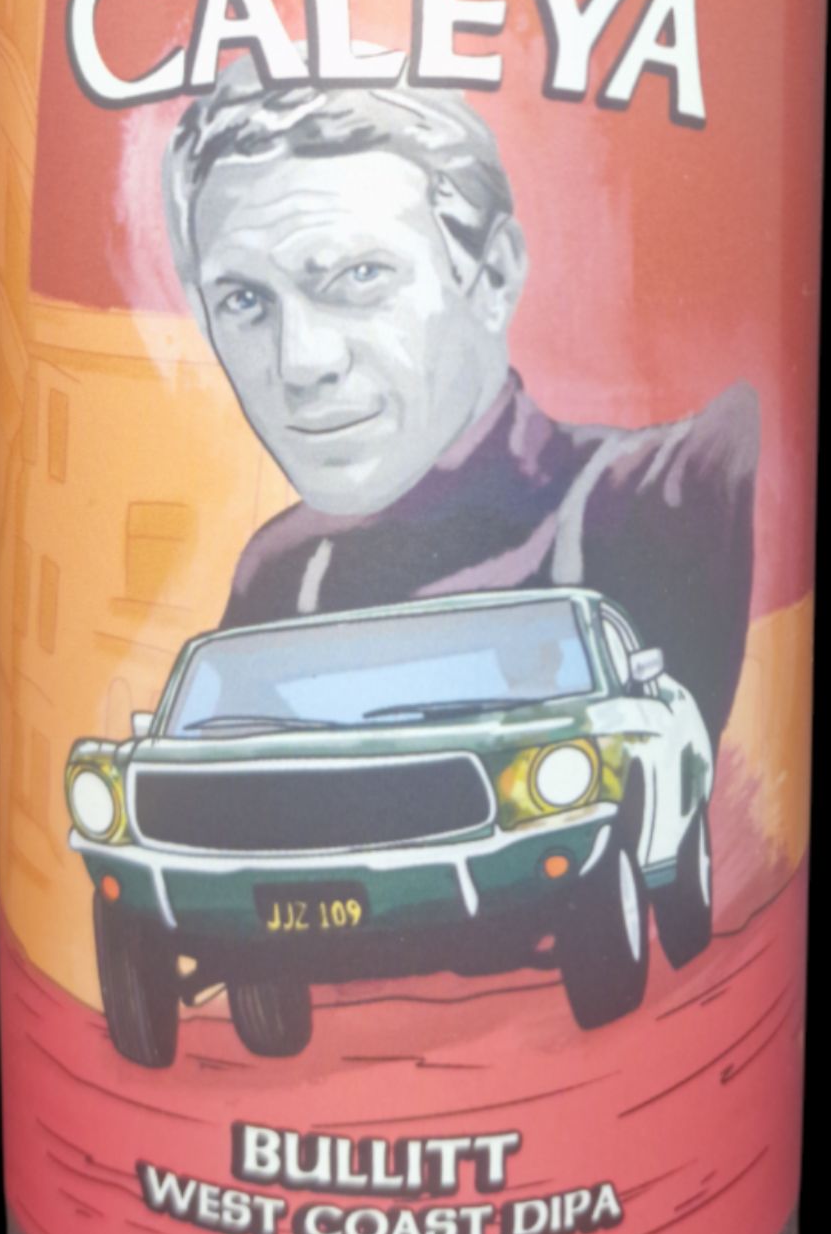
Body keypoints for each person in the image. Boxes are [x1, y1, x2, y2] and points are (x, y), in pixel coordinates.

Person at [162, 56, 758, 745]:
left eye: (361, 275)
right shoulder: (283, 570)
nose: (301, 362)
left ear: (493, 277)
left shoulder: (669, 489)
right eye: (244, 300)